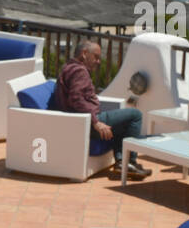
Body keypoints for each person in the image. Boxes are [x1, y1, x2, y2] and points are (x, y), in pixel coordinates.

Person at [50, 40, 151, 177]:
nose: (98, 62)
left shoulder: (69, 66)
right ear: (84, 53)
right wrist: (96, 122)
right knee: (135, 114)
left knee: (122, 122)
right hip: (84, 122)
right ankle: (129, 162)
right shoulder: (79, 71)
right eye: (96, 57)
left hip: (80, 120)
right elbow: (76, 99)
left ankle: (122, 162)